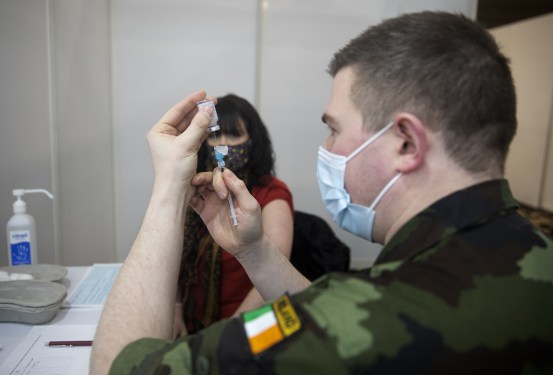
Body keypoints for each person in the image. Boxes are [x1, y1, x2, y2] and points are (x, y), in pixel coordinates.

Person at [91, 11, 553, 374]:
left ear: (406, 144)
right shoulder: (527, 251)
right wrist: (254, 251)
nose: (326, 148)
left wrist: (169, 185)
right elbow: (335, 307)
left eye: (334, 129)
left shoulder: (374, 318)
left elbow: (120, 368)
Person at [174, 94, 294, 337]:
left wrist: (229, 334)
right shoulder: (199, 188)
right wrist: (175, 311)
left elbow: (274, 274)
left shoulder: (271, 194)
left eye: (235, 135)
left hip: (249, 324)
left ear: (253, 141)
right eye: (217, 135)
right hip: (191, 324)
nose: (224, 144)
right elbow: (176, 258)